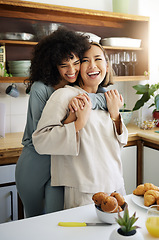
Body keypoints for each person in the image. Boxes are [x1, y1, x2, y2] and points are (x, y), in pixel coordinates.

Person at [15, 28, 108, 218]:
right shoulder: (41, 89)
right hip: (35, 162)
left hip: (60, 164)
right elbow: (41, 136)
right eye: (63, 65)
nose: (72, 70)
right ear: (52, 64)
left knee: (54, 217)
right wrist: (74, 119)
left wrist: (108, 99)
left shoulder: (73, 87)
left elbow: (92, 99)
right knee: (33, 219)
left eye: (75, 63)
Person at [32, 42, 128, 209]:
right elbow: (41, 141)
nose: (92, 65)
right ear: (78, 68)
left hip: (116, 185)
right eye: (85, 60)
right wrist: (77, 123)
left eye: (98, 59)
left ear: (106, 64)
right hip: (84, 191)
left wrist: (115, 115)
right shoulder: (64, 95)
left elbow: (121, 142)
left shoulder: (107, 98)